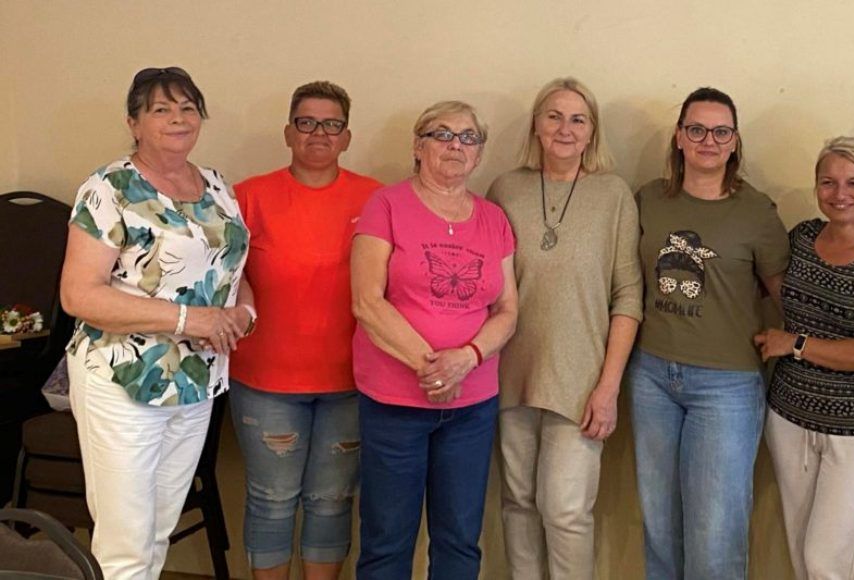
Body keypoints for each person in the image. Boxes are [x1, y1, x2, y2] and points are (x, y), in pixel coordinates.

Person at [59, 66, 251, 579]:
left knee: (159, 529)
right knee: (125, 543)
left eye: (188, 108)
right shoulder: (109, 188)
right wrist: (189, 318)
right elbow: (78, 294)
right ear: (134, 123)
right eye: (161, 109)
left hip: (196, 381)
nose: (178, 118)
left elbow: (231, 271)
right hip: (124, 380)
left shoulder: (216, 186)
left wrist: (243, 314)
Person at [350, 100, 518, 580]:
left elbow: (508, 310)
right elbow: (366, 301)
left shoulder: (494, 219)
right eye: (442, 134)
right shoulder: (386, 205)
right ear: (418, 146)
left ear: (479, 153)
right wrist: (434, 368)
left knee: (459, 539)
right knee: (387, 540)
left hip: (472, 406)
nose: (455, 145)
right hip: (395, 403)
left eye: (468, 137)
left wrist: (466, 358)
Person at [629, 87, 790, 580]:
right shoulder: (648, 200)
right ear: (679, 137)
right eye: (697, 129)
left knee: (714, 534)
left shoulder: (756, 211)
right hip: (651, 376)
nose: (708, 141)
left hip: (727, 386)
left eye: (721, 132)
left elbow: (784, 296)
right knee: (660, 526)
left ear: (735, 142)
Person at [486, 78, 642, 580]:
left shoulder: (613, 194)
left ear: (592, 131)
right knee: (518, 503)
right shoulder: (505, 189)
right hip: (510, 374)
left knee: (566, 512)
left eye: (578, 119)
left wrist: (608, 388)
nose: (565, 128)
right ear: (536, 124)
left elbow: (628, 296)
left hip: (581, 380)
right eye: (554, 116)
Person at [230, 81, 382, 580]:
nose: (319, 133)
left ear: (347, 137)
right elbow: (221, 278)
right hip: (265, 382)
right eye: (307, 122)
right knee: (271, 499)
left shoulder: (375, 199)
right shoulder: (248, 196)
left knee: (332, 500)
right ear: (288, 132)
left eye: (332, 124)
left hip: (350, 380)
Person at [754, 137, 854, 579]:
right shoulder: (802, 237)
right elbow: (768, 287)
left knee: (827, 563)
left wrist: (796, 344)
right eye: (829, 182)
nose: (841, 193)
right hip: (789, 419)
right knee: (801, 555)